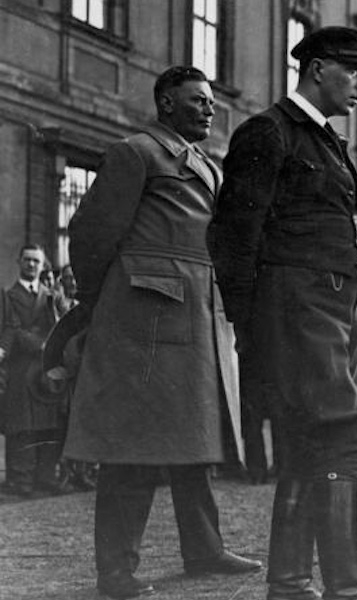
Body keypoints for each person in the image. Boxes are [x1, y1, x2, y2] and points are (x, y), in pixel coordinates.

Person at [62, 66, 260, 599]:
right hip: (146, 319)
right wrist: (105, 299)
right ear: (166, 103)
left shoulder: (205, 166)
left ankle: (204, 548)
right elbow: (90, 233)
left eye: (212, 101)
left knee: (195, 438)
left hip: (197, 314)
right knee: (134, 445)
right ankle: (116, 571)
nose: (209, 108)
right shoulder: (137, 153)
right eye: (197, 100)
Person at [208, 26, 357, 600]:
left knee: (309, 441)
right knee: (338, 435)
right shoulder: (270, 132)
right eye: (354, 71)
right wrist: (250, 329)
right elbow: (234, 236)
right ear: (317, 69)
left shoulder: (324, 139)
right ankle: (345, 590)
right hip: (296, 308)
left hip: (331, 308)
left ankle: (288, 582)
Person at [0, 244, 64, 498]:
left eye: (36, 261)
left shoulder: (50, 295)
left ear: (42, 264)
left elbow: (61, 324)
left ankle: (45, 477)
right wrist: (43, 344)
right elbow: (12, 329)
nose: (31, 265)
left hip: (44, 370)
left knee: (48, 423)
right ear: (19, 262)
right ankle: (20, 480)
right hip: (20, 367)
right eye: (27, 260)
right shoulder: (8, 295)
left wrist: (53, 345)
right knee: (22, 425)